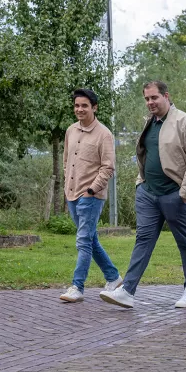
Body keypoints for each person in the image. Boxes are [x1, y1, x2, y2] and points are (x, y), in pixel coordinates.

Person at [99, 81, 186, 309]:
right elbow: (145, 153)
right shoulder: (150, 122)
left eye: (154, 98)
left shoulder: (184, 121)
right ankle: (127, 291)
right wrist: (140, 183)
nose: (150, 103)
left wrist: (185, 192)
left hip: (174, 194)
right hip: (148, 193)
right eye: (146, 99)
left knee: (185, 242)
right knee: (143, 240)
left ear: (167, 96)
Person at [59, 89, 122, 302]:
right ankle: (113, 277)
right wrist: (67, 183)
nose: (79, 109)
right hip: (72, 194)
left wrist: (92, 190)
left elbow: (108, 167)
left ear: (94, 107)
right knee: (90, 238)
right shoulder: (70, 131)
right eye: (77, 105)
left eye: (84, 105)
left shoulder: (104, 134)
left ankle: (77, 287)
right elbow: (67, 160)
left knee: (83, 240)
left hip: (91, 196)